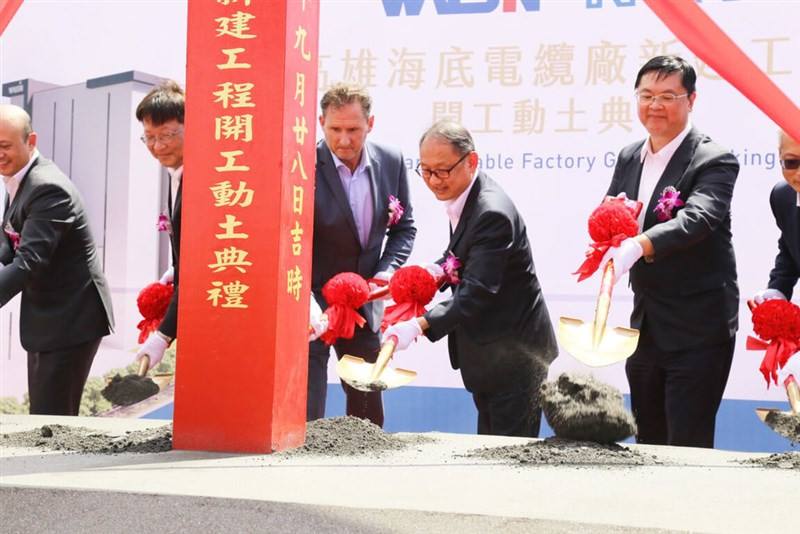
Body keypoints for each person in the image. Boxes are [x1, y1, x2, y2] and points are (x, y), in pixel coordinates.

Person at [383, 120, 557, 437]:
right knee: (487, 456)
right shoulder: (468, 197)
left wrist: (418, 325)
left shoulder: (492, 213)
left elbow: (478, 290)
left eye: (443, 171)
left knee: (506, 461)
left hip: (515, 358)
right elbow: (463, 255)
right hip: (491, 355)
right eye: (425, 171)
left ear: (471, 161)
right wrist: (431, 273)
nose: (434, 181)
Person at [603, 55, 740, 448]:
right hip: (646, 324)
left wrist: (638, 245)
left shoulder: (714, 159)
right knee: (647, 437)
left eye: (667, 96)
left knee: (686, 444)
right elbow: (613, 210)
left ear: (691, 100)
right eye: (646, 95)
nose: (655, 106)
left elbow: (697, 219)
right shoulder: (630, 155)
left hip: (698, 327)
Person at [309, 82, 416, 427]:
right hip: (310, 306)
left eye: (353, 130)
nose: (343, 140)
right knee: (306, 409)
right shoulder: (303, 166)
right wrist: (309, 302)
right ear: (321, 121)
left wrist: (386, 273)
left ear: (371, 124)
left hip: (365, 304)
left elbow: (404, 228)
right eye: (334, 129)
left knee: (367, 409)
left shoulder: (391, 161)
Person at [0, 104, 114, 415]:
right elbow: (10, 243)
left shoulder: (47, 188)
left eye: (4, 146)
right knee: (44, 419)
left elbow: (28, 262)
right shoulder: (19, 179)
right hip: (48, 319)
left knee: (53, 421)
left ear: (30, 140)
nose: (0, 154)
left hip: (70, 319)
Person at [134, 81, 185, 371]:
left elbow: (198, 274)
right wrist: (175, 269)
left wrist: (163, 335)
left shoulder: (204, 180)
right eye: (149, 137)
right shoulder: (175, 172)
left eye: (166, 135)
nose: (158, 146)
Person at [752, 131, 800, 382]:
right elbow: (790, 249)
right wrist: (777, 292)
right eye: (792, 163)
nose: (799, 174)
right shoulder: (783, 196)